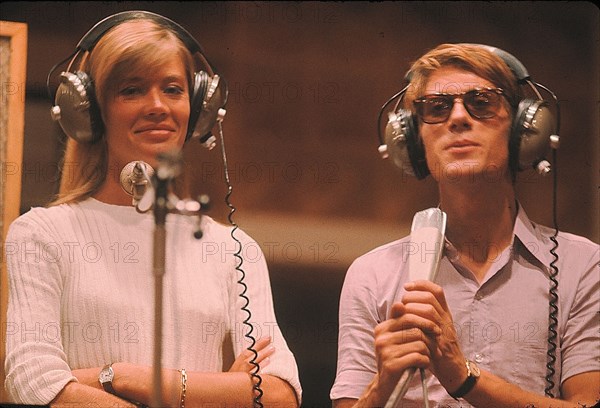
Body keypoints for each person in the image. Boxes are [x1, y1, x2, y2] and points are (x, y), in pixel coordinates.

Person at [4, 11, 301, 407]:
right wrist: (215, 390)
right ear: (90, 111)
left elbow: (280, 392)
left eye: (174, 90)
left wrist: (123, 377)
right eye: (132, 90)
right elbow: (33, 380)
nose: (158, 106)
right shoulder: (41, 233)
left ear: (197, 109)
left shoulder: (233, 247)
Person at [330, 43, 599, 407]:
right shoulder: (372, 274)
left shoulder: (583, 267)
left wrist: (462, 375)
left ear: (523, 130)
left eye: (482, 102)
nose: (457, 118)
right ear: (412, 141)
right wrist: (384, 384)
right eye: (436, 108)